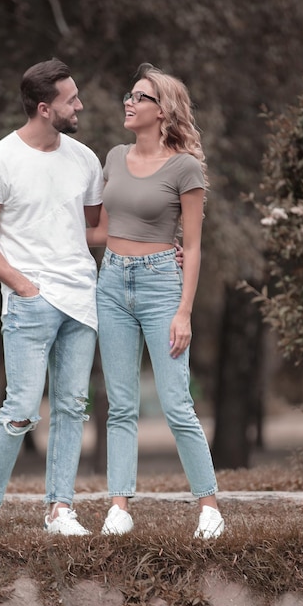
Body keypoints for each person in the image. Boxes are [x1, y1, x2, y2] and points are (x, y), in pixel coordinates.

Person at [0, 58, 103, 539]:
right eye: (71, 100)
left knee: (71, 407)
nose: (79, 105)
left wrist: (156, 238)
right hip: (30, 302)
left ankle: (60, 510)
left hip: (82, 300)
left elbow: (94, 228)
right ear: (45, 109)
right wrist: (23, 286)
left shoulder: (85, 159)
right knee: (20, 407)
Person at [87, 63, 225, 540]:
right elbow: (101, 230)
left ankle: (208, 506)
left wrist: (184, 310)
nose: (129, 102)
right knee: (119, 404)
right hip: (112, 284)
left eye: (139, 97)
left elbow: (195, 243)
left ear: (162, 110)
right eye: (129, 95)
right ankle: (119, 506)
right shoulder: (113, 156)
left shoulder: (184, 167)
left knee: (176, 402)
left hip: (161, 285)